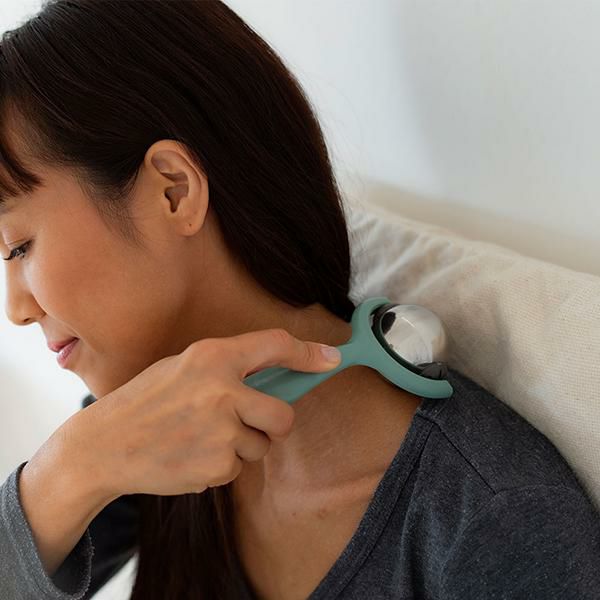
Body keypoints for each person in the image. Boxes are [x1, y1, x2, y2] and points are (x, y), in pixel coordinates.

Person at [0, 1, 599, 599]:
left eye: (19, 245)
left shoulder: (492, 523)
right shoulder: (145, 434)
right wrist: (76, 466)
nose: (15, 309)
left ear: (174, 191)